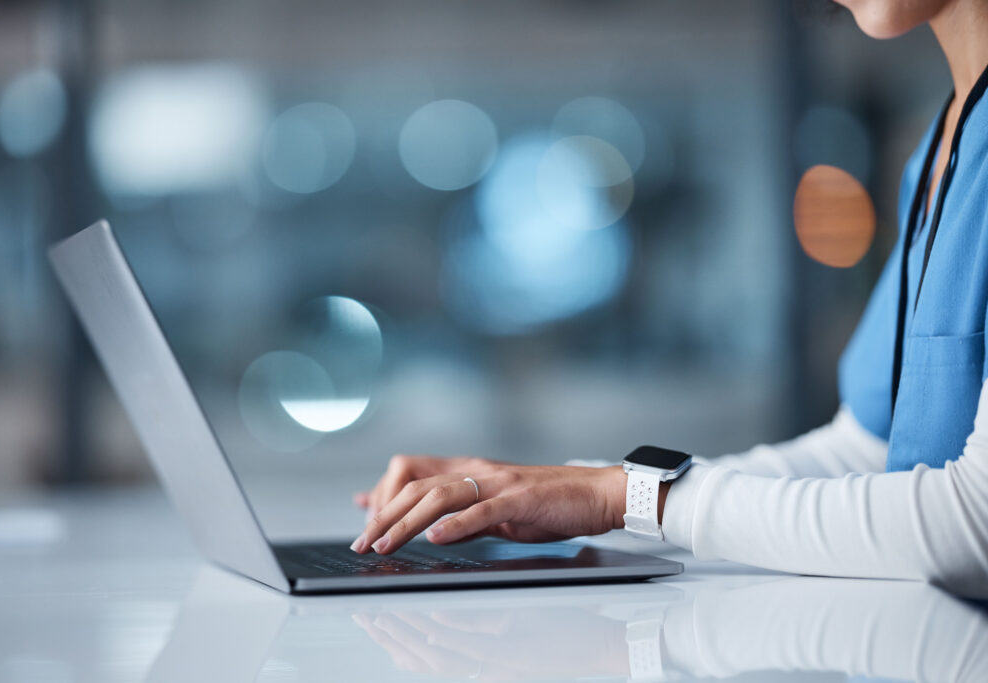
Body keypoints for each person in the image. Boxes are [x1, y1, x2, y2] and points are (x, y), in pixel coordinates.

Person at [349, 0, 988, 599]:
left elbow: (975, 525)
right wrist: (568, 489)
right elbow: (867, 453)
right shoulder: (943, 147)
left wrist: (629, 497)